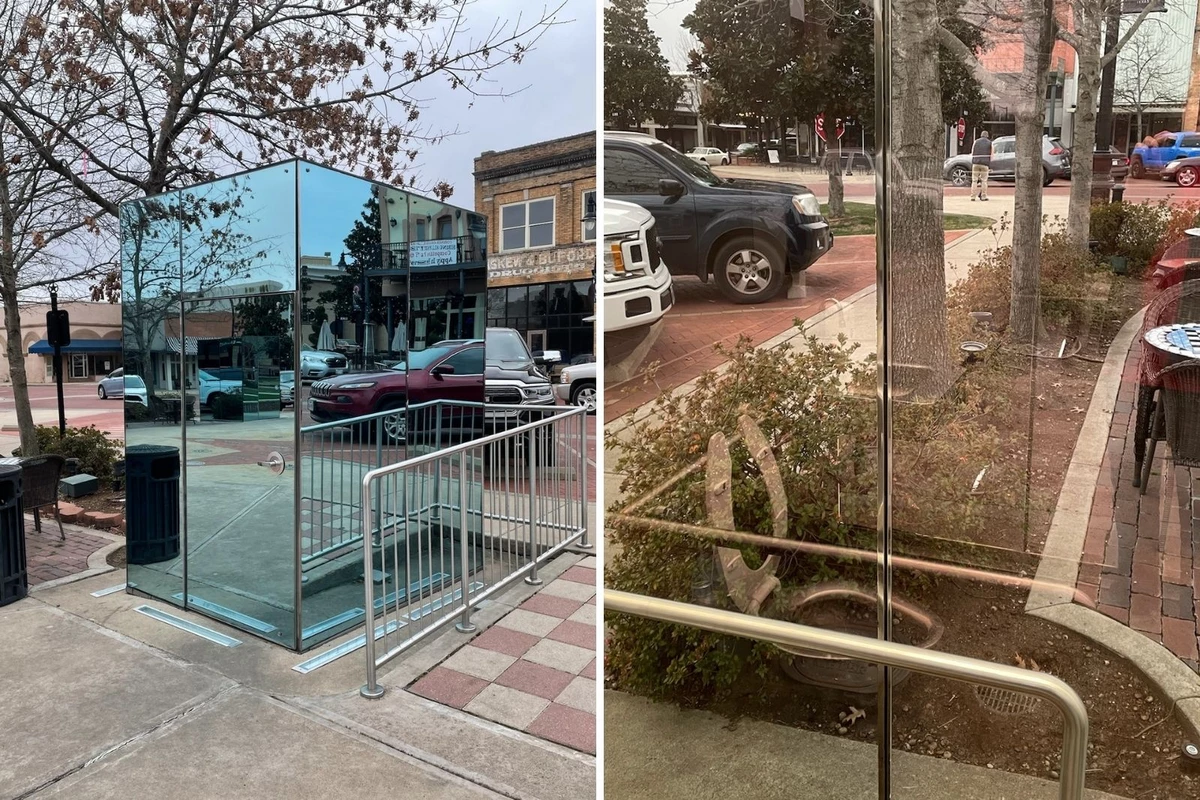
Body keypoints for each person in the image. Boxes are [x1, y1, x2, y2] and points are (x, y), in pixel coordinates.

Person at [970, 130, 992, 201]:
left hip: (976, 163)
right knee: (984, 181)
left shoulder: (976, 141)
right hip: (985, 164)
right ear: (987, 136)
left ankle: (973, 197)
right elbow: (992, 154)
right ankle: (983, 196)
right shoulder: (990, 143)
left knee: (974, 180)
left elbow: (972, 152)